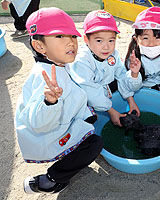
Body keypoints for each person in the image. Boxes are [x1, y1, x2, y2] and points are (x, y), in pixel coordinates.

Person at [15, 7, 103, 194]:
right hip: (46, 133)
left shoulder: (57, 63)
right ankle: (50, 180)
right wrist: (50, 102)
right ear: (39, 46)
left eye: (72, 36)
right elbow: (38, 123)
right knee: (94, 144)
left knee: (90, 121)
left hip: (58, 123)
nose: (70, 42)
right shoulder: (44, 78)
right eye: (60, 37)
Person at [69, 10, 142, 127]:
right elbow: (90, 92)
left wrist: (130, 98)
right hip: (82, 98)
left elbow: (121, 76)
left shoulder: (113, 54)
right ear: (86, 40)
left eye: (111, 40)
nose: (106, 46)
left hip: (102, 89)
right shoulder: (81, 61)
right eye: (99, 40)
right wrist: (111, 111)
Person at [125, 6, 160, 91]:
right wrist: (134, 73)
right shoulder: (133, 59)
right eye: (145, 38)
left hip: (158, 87)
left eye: (158, 38)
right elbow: (129, 86)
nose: (151, 44)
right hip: (138, 87)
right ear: (136, 39)